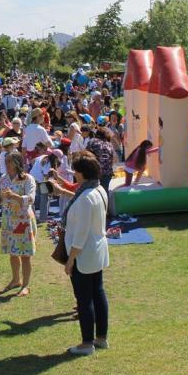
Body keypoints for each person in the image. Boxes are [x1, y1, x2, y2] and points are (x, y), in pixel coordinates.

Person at [64, 151, 110, 356]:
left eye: (76, 171)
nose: (74, 174)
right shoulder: (99, 189)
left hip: (84, 253)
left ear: (82, 173)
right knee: (98, 293)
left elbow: (80, 234)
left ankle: (87, 343)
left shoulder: (85, 198)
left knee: (85, 299)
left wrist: (70, 260)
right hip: (97, 250)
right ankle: (101, 338)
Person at [0, 151, 36, 297]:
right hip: (8, 220)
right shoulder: (3, 178)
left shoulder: (27, 178)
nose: (6, 164)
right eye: (6, 161)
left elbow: (31, 199)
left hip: (23, 221)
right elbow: (1, 201)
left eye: (9, 161)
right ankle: (16, 280)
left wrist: (14, 196)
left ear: (17, 162)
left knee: (25, 254)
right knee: (12, 252)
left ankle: (26, 285)